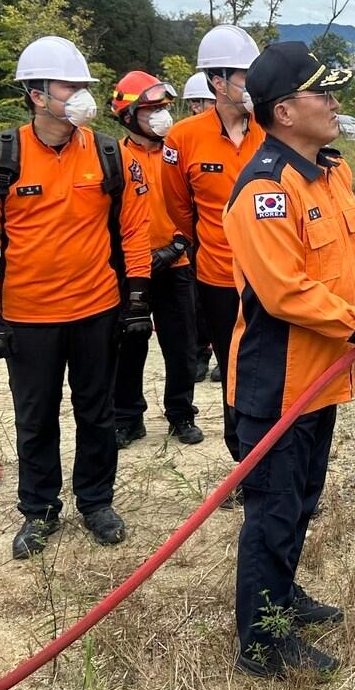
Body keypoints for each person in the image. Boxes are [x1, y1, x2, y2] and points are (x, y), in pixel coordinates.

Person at [224, 41, 355, 679]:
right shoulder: (263, 188)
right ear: (285, 111)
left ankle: (283, 596)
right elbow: (284, 289)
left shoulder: (329, 170)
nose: (336, 102)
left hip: (323, 378)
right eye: (324, 93)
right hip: (276, 382)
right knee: (274, 510)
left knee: (303, 498)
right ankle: (261, 641)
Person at [0, 35, 153, 560]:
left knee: (97, 413)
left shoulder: (111, 154)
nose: (81, 96)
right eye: (70, 86)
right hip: (28, 319)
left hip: (98, 311)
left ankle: (96, 503)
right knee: (36, 417)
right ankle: (39, 511)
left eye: (83, 86)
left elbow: (135, 230)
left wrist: (137, 298)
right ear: (36, 94)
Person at [161, 25, 265, 463]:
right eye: (245, 75)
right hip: (220, 280)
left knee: (278, 372)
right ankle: (244, 463)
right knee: (234, 375)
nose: (254, 84)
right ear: (217, 82)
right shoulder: (183, 139)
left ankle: (277, 464)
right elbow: (180, 210)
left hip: (276, 279)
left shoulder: (275, 128)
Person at [108, 70, 204, 447]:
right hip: (129, 270)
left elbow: (198, 205)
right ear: (129, 115)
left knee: (181, 346)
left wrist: (178, 247)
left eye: (165, 107)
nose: (162, 115)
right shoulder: (112, 157)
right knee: (128, 345)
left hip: (177, 264)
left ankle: (181, 414)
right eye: (151, 109)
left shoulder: (177, 153)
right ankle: (128, 419)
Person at [179, 68, 218, 382]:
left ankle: (223, 356)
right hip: (196, 236)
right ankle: (198, 354)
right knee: (197, 304)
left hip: (226, 237)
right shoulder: (185, 136)